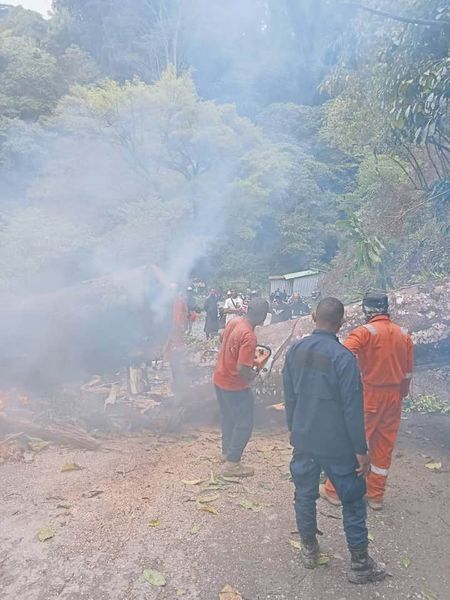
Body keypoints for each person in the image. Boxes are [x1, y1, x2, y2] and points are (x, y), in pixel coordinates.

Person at [283, 297, 385, 584]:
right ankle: (360, 565)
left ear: (316, 317)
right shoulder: (343, 358)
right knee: (352, 500)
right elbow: (353, 408)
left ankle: (309, 550)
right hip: (336, 445)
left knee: (304, 494)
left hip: (304, 438)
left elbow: (289, 395)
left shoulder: (295, 350)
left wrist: (294, 427)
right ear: (340, 323)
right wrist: (360, 451)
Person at [321, 292, 414, 511]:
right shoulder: (404, 334)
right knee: (384, 445)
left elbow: (341, 356)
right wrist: (401, 393)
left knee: (352, 442)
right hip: (394, 398)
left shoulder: (364, 333)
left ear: (366, 310)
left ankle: (334, 491)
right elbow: (408, 372)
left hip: (370, 395)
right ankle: (375, 496)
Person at [213, 298, 269, 478]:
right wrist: (255, 375)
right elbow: (242, 369)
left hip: (220, 378)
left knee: (228, 417)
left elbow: (223, 339)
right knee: (244, 423)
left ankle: (226, 452)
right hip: (234, 385)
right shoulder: (249, 336)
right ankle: (232, 464)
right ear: (262, 317)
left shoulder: (234, 322)